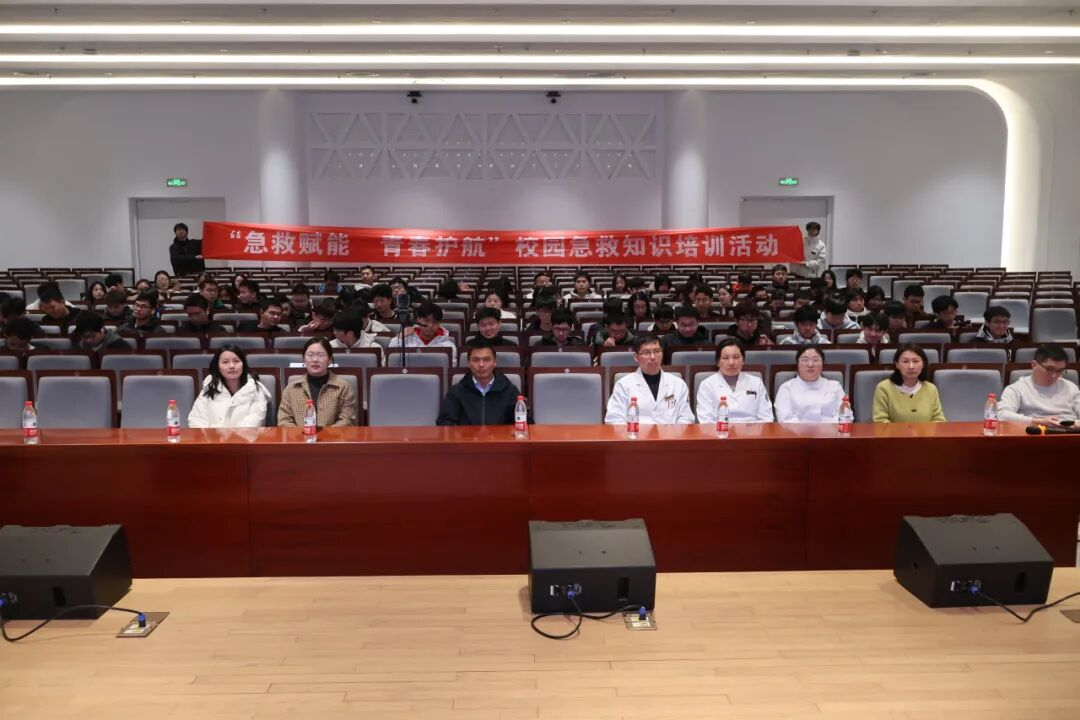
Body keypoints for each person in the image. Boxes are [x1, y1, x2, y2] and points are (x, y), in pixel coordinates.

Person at [605, 333, 694, 425]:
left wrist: (673, 432)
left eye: (657, 351)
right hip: (635, 433)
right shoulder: (623, 385)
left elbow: (686, 417)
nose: (653, 357)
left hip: (671, 433)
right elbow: (614, 419)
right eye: (646, 352)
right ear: (636, 357)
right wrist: (634, 432)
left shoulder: (678, 384)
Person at [436, 341, 528, 426]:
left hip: (500, 438)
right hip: (467, 438)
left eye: (487, 359)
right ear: (469, 364)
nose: (481, 365)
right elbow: (444, 423)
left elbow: (525, 422)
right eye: (476, 360)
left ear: (494, 363)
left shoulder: (510, 391)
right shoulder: (456, 391)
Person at [278, 337, 357, 427]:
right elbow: (283, 420)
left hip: (333, 436)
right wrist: (302, 433)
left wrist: (325, 434)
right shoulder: (291, 388)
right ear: (304, 359)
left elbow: (347, 420)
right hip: (299, 435)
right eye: (310, 355)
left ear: (330, 359)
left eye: (320, 355)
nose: (315, 359)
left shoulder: (343, 387)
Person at [188, 345, 271, 428]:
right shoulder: (209, 388)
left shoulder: (256, 389)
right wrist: (212, 435)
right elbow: (196, 419)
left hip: (246, 436)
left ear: (243, 364)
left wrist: (226, 434)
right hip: (211, 436)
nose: (232, 366)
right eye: (225, 362)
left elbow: (256, 421)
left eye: (236, 361)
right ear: (218, 367)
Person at [998, 344, 1080, 427]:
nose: (1054, 375)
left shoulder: (1071, 387)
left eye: (1060, 371)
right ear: (1034, 365)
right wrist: (1038, 421)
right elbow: (1002, 415)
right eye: (1049, 369)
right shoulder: (1016, 388)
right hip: (1034, 431)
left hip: (1070, 431)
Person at [696, 338, 774, 424]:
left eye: (736, 357)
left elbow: (767, 417)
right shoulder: (707, 385)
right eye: (725, 358)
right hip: (719, 431)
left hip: (752, 431)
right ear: (717, 362)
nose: (731, 362)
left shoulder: (756, 382)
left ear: (743, 360)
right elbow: (705, 421)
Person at [872, 344, 946, 423]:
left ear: (923, 364)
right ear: (897, 364)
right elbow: (880, 422)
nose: (911, 366)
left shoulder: (931, 388)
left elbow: (939, 420)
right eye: (905, 361)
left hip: (927, 432)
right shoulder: (884, 388)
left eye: (916, 361)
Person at [773, 346, 845, 423]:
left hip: (832, 430)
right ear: (798, 364)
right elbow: (785, 420)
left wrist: (826, 429)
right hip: (796, 431)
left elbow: (845, 416)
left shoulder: (835, 386)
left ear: (822, 364)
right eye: (805, 360)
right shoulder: (786, 388)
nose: (810, 365)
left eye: (815, 360)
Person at [389, 301, 456, 349]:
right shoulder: (406, 338)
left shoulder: (448, 346)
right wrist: (400, 337)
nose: (430, 325)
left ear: (439, 323)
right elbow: (391, 352)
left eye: (435, 322)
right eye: (426, 321)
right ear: (418, 319)